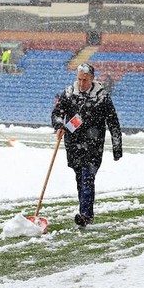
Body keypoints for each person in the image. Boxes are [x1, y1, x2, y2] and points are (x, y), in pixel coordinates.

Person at [52, 63, 122, 227]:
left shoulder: (102, 97)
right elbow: (57, 113)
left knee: (87, 178)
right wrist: (59, 126)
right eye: (79, 79)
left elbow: (113, 122)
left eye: (85, 80)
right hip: (73, 144)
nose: (82, 83)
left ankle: (85, 215)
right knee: (80, 180)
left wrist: (117, 147)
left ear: (92, 78)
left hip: (93, 145)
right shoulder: (69, 93)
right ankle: (86, 213)